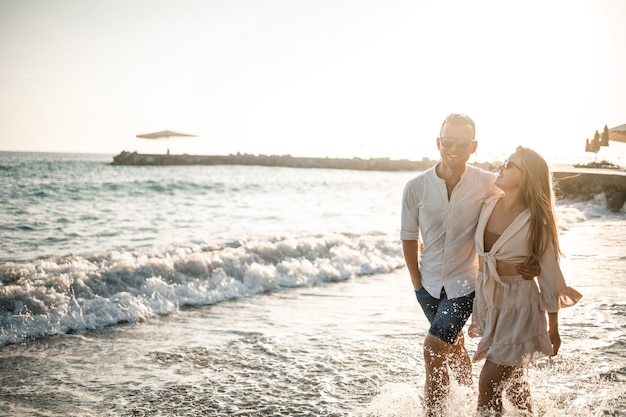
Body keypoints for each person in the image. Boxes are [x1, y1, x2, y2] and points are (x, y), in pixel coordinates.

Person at [400, 114, 539, 417]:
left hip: (467, 283)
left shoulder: (489, 182)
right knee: (452, 346)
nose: (455, 147)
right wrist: (416, 284)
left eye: (463, 142)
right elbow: (408, 238)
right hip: (427, 284)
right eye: (449, 140)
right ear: (439, 143)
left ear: (473, 146)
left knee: (433, 348)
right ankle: (492, 399)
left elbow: (524, 210)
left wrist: (533, 257)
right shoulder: (415, 187)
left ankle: (435, 413)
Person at [469, 146, 582, 416]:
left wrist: (553, 329)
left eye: (509, 165)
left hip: (519, 307)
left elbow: (551, 278)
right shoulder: (487, 204)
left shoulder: (536, 222)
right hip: (489, 301)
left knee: (489, 383)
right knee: (515, 384)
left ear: (526, 176)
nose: (501, 166)